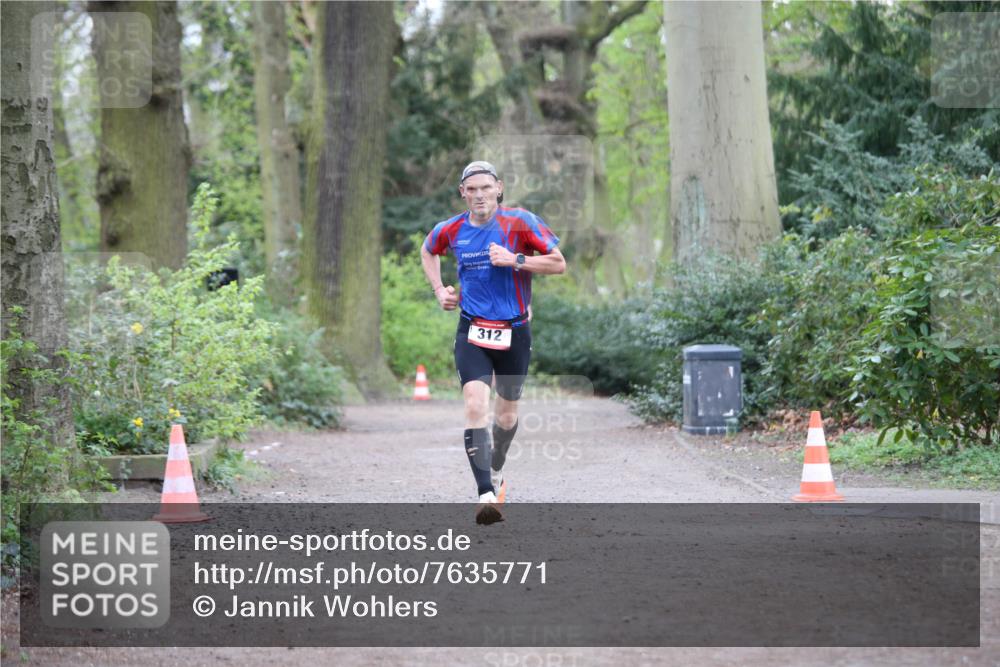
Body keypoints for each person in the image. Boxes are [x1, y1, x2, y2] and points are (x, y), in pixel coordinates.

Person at [421, 161, 566, 525]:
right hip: (472, 331)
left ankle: (496, 468)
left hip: (514, 331)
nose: (479, 195)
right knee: (474, 404)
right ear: (462, 193)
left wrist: (516, 260)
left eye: (486, 188)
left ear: (498, 188)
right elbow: (428, 250)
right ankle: (485, 491)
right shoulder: (451, 229)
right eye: (471, 189)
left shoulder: (521, 223)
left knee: (506, 415)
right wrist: (440, 290)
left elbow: (559, 264)